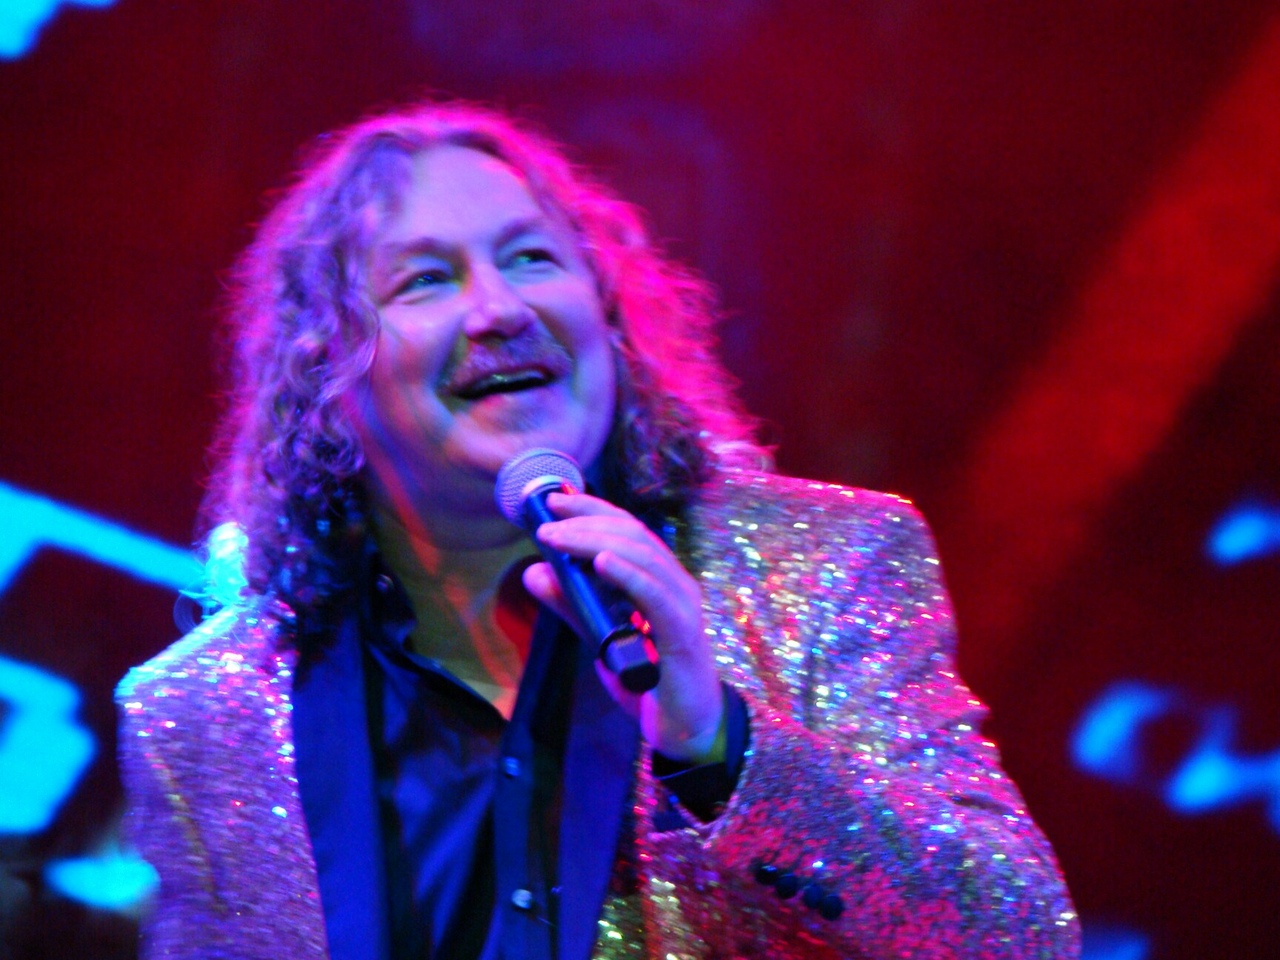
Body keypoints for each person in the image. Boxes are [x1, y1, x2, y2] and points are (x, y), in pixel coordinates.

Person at [116, 99, 1079, 960]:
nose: (501, 309)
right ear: (326, 373)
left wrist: (722, 745)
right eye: (425, 281)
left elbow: (1019, 934)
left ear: (608, 319)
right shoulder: (202, 713)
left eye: (533, 258)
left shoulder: (829, 568)